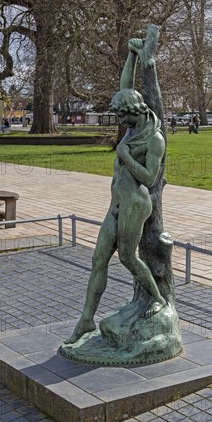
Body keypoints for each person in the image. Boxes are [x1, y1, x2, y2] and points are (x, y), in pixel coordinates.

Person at [65, 39, 167, 345]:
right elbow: (126, 85)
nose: (118, 122)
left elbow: (150, 178)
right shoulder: (132, 126)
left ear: (133, 111)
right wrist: (132, 55)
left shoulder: (153, 138)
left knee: (126, 257)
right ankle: (85, 320)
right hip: (118, 202)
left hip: (136, 202)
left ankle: (159, 299)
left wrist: (124, 155)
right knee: (98, 259)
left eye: (121, 116)